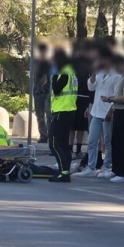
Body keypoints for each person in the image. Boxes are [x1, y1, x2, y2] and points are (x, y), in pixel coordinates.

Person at [78, 46, 117, 178]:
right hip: (96, 111)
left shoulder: (116, 75)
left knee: (107, 142)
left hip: (107, 113)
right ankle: (91, 167)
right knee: (92, 141)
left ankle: (106, 167)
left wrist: (111, 110)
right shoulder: (99, 73)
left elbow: (117, 94)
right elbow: (91, 87)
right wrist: (93, 74)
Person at [103, 54, 124, 183]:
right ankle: (116, 170)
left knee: (123, 143)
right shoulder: (123, 76)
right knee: (116, 142)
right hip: (119, 110)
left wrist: (110, 99)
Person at [48, 49, 77, 182]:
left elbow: (56, 89)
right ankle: (65, 171)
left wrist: (54, 76)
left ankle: (63, 171)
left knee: (54, 143)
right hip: (69, 111)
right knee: (64, 143)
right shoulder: (72, 72)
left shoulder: (63, 73)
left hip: (61, 111)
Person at [71, 39, 93, 157]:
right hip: (73, 98)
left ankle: (78, 150)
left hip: (85, 99)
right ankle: (70, 150)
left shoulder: (91, 64)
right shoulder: (73, 64)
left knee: (80, 128)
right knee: (72, 127)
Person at [32, 43, 51, 144]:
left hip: (48, 92)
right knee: (40, 116)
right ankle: (43, 135)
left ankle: (51, 135)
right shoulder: (36, 63)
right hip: (38, 92)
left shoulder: (50, 63)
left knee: (49, 114)